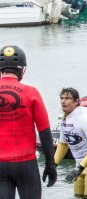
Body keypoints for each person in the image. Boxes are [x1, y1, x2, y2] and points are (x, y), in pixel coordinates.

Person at [0, 45, 57, 198]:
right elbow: (44, 132)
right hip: (26, 164)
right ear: (22, 69)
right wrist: (50, 164)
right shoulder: (31, 92)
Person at [54, 87, 87, 199]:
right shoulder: (63, 117)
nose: (63, 101)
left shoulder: (84, 117)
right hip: (79, 165)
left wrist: (80, 167)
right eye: (62, 98)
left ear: (77, 101)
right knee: (77, 196)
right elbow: (63, 144)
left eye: (67, 98)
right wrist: (53, 166)